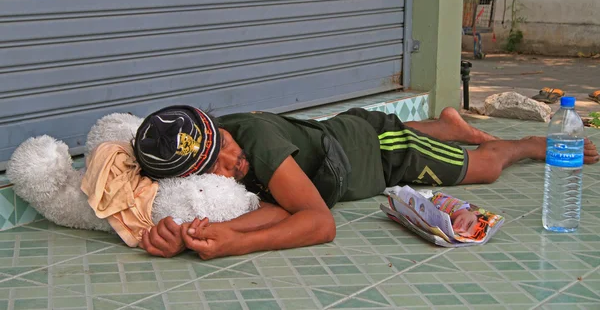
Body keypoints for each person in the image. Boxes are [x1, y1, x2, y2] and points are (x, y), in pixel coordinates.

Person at [133, 105, 599, 259]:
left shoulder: (256, 143)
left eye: (226, 143)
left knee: (484, 167)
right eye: (214, 164)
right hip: (337, 139)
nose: (233, 162)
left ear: (221, 125)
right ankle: (448, 126)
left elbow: (318, 223)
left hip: (379, 150)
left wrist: (236, 242)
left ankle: (528, 143)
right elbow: (274, 208)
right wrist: (192, 236)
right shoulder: (210, 179)